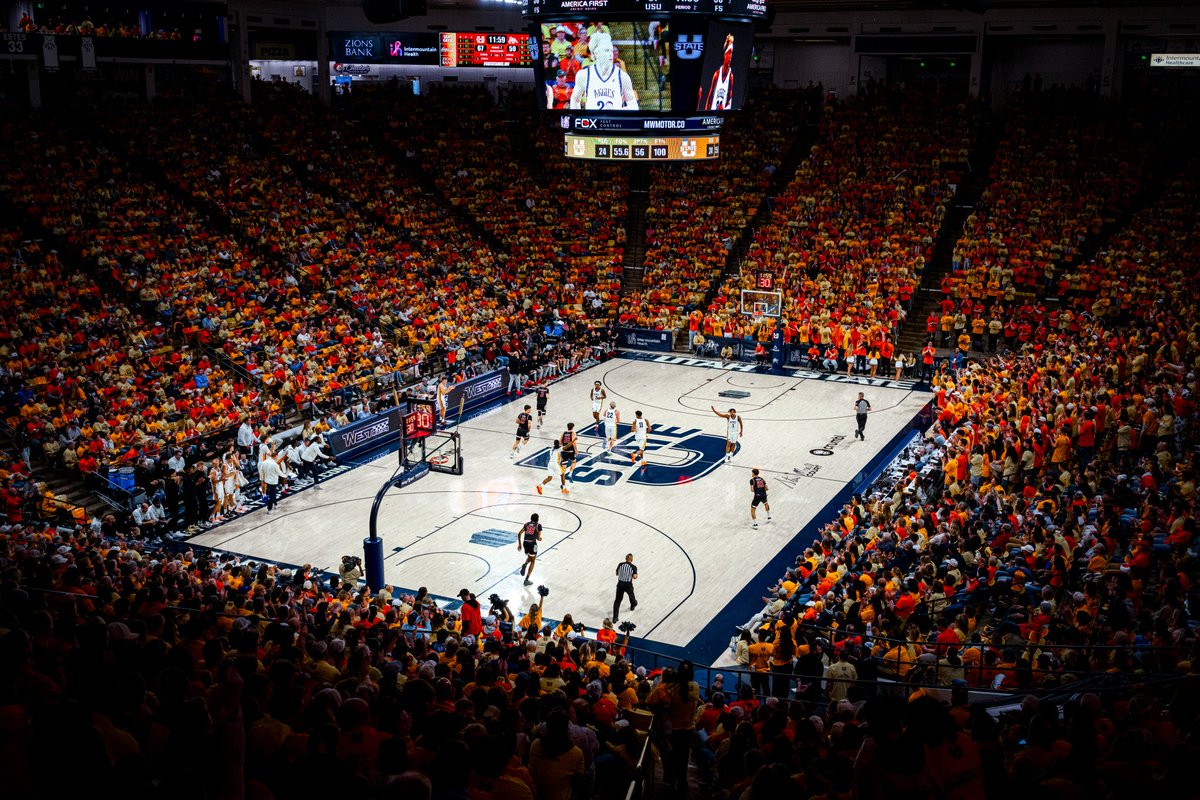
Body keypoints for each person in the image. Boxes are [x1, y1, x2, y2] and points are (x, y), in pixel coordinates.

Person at [649, 661, 701, 797]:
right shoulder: (696, 687)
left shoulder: (671, 688)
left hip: (673, 730)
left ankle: (671, 781)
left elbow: (657, 702)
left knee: (670, 757)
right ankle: (682, 784)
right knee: (683, 758)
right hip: (688, 730)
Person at [569, 32, 639, 110]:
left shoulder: (622, 76)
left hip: (614, 118)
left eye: (611, 51)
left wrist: (618, 112)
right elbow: (575, 100)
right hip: (593, 117)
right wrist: (580, 116)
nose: (610, 54)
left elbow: (633, 105)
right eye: (606, 50)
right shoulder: (584, 75)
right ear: (596, 53)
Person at [701, 33, 736, 110]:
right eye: (729, 53)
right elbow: (710, 96)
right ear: (725, 55)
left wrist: (726, 109)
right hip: (713, 109)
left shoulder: (730, 76)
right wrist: (706, 111)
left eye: (731, 54)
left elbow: (730, 98)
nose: (730, 57)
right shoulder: (717, 74)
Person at [517, 512, 543, 586]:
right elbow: (538, 538)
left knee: (530, 556)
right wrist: (540, 539)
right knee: (533, 561)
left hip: (525, 543)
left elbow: (519, 533)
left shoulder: (526, 524)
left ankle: (525, 564)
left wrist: (519, 544)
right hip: (532, 544)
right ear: (537, 519)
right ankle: (526, 580)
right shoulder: (538, 525)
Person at [612, 553, 638, 622]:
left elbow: (616, 573)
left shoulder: (620, 564)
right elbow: (635, 577)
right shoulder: (633, 567)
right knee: (631, 596)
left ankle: (615, 617)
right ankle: (633, 605)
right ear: (632, 559)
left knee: (617, 601)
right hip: (628, 585)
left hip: (620, 584)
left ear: (625, 558)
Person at [258, 447, 283, 513]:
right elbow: (279, 473)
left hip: (267, 480)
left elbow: (261, 470)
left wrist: (263, 479)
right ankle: (269, 509)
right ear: (275, 456)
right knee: (272, 494)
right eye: (277, 456)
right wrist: (285, 475)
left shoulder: (265, 462)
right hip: (273, 481)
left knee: (273, 493)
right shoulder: (274, 464)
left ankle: (275, 504)